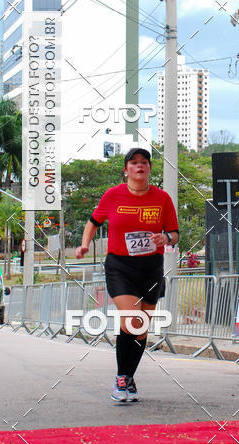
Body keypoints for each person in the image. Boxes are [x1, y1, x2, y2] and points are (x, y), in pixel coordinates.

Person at [75, 147, 179, 403]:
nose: (139, 166)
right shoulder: (113, 196)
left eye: (144, 162)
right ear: (126, 169)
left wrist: (165, 237)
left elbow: (175, 234)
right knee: (131, 318)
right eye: (134, 163)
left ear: (149, 168)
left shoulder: (162, 198)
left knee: (141, 328)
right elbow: (93, 221)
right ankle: (121, 379)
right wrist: (84, 244)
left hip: (151, 266)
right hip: (120, 266)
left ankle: (128, 378)